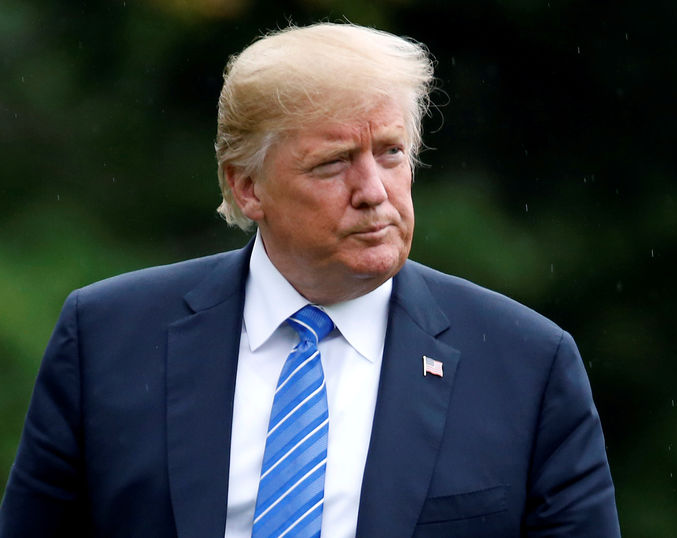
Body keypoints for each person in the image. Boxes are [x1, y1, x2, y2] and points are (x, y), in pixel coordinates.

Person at [0, 22, 620, 537]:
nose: (374, 193)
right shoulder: (107, 338)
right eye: (333, 164)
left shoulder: (526, 364)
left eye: (391, 153)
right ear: (248, 187)